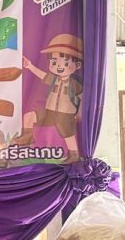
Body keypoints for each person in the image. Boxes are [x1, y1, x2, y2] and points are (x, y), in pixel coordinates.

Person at [13, 33, 84, 162]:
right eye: (54, 62)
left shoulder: (75, 83)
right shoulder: (54, 79)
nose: (59, 66)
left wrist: (79, 113)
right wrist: (30, 66)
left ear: (77, 65)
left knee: (67, 133)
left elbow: (82, 96)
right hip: (49, 112)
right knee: (29, 116)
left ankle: (74, 154)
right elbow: (42, 75)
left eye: (66, 63)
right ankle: (27, 137)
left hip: (65, 114)